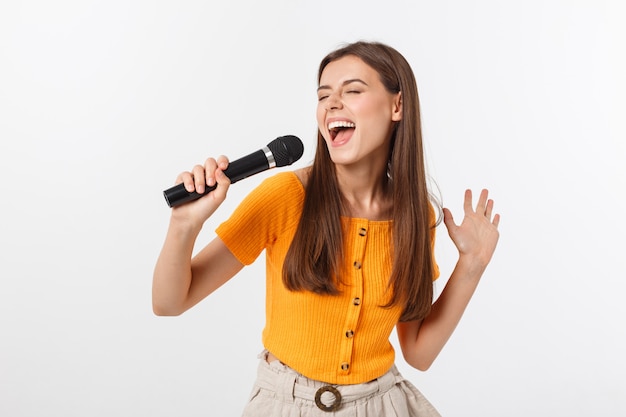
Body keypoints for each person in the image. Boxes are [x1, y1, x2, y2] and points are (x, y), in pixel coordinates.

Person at [153, 41, 500, 416]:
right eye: (323, 95)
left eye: (352, 90)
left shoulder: (414, 217)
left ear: (397, 106)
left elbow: (418, 352)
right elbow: (170, 303)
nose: (332, 103)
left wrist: (473, 263)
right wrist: (183, 225)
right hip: (286, 404)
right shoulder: (286, 196)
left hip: (382, 405)